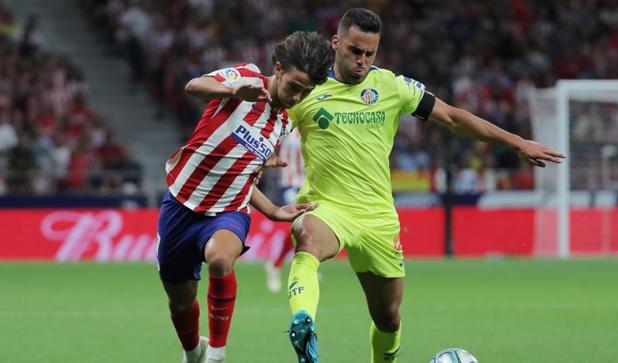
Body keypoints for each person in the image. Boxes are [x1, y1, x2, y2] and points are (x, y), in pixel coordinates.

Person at [284, 8, 565, 363]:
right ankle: (303, 321)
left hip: (377, 218)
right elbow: (268, 123)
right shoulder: (307, 88)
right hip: (327, 208)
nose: (362, 60)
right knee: (308, 239)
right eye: (355, 50)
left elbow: (452, 117)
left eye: (370, 53)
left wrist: (515, 142)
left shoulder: (391, 86)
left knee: (388, 317)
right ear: (336, 43)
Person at [156, 31, 333, 363]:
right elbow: (193, 86)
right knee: (180, 302)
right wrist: (232, 90)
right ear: (278, 69)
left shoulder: (282, 123)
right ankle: (194, 351)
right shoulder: (249, 77)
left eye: (305, 92)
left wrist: (273, 211)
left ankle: (218, 353)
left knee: (221, 260)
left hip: (228, 211)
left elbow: (243, 177)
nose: (297, 97)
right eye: (294, 86)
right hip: (181, 204)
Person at [265, 129, 305, 293]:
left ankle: (302, 263)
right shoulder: (288, 127)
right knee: (297, 225)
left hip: (307, 183)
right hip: (289, 183)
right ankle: (276, 266)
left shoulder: (311, 125)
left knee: (306, 227)